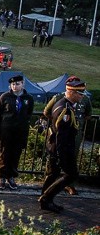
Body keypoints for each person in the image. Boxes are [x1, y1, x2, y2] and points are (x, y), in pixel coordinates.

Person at [39, 77, 87, 213]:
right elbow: (62, 136)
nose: (82, 96)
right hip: (62, 148)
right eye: (79, 93)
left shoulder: (65, 104)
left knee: (53, 174)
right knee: (71, 174)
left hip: (57, 147)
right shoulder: (65, 110)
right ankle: (46, 199)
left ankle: (46, 200)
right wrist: (60, 155)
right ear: (71, 92)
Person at [0, 75, 34, 190]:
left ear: (22, 84)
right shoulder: (5, 97)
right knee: (4, 154)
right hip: (6, 131)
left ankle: (11, 177)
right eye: (13, 84)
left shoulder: (28, 98)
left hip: (20, 132)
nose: (15, 86)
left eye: (18, 84)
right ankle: (2, 177)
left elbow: (29, 113)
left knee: (15, 155)